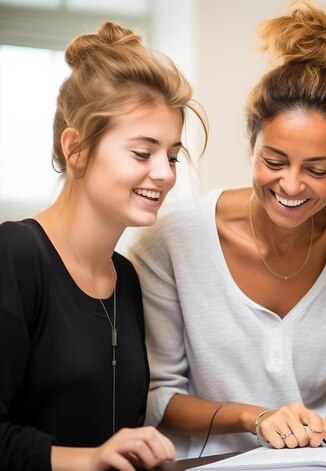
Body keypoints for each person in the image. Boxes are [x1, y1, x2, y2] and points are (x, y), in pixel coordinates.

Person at [129, 0, 326, 459]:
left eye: (317, 169)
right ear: (252, 143)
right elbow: (158, 395)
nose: (292, 185)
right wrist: (253, 416)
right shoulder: (171, 239)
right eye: (274, 161)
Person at [0, 21, 208, 471]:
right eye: (142, 153)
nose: (166, 173)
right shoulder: (14, 255)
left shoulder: (125, 277)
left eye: (171, 156)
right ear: (76, 149)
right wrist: (89, 460)